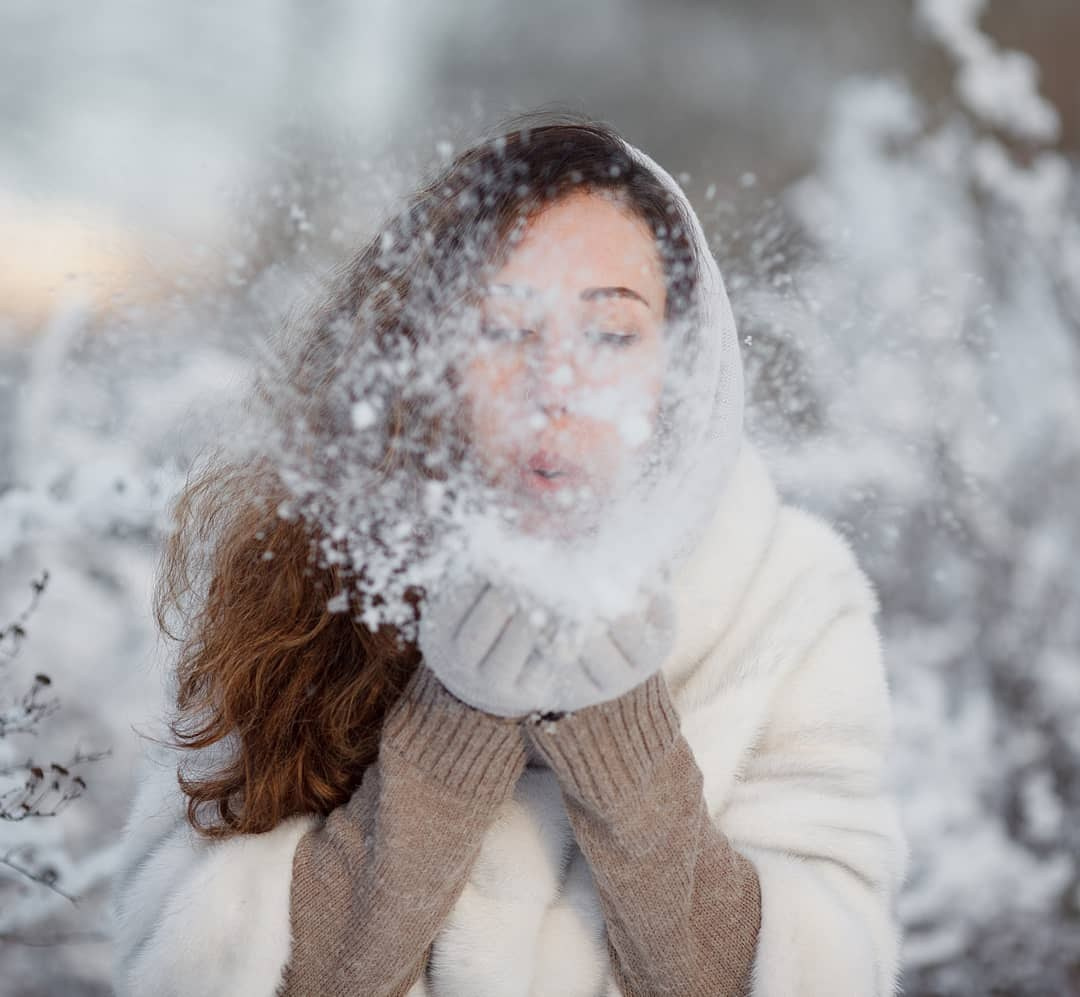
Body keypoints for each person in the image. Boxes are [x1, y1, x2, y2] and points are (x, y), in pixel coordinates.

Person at [109, 112, 909, 997]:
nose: (554, 386)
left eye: (610, 334)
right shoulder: (292, 576)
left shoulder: (789, 601)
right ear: (428, 350)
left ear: (683, 362)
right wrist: (451, 719)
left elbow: (825, 972)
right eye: (503, 329)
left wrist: (617, 724)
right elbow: (192, 967)